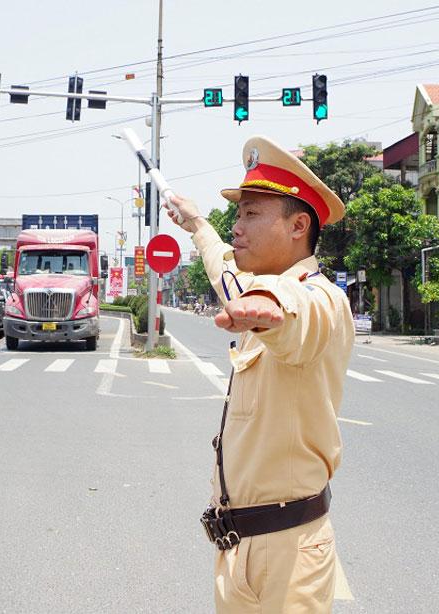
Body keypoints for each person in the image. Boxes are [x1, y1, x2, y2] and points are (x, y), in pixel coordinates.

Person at [165, 136, 354, 613]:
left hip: (286, 555)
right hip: (238, 547)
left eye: (250, 214)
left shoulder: (322, 297)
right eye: (237, 216)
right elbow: (223, 269)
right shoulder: (249, 288)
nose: (237, 228)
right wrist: (197, 224)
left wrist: (268, 304)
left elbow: (298, 313)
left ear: (298, 225)